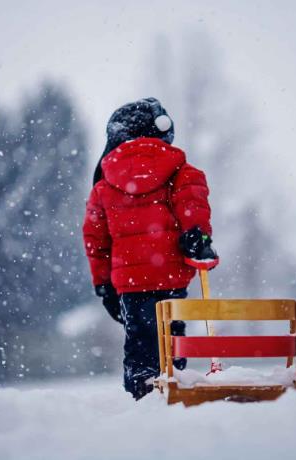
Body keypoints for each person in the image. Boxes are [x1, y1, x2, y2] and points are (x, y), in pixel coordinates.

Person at [83, 97, 217, 399]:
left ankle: (143, 391)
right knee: (172, 338)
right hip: (171, 276)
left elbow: (96, 239)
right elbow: (192, 206)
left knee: (140, 341)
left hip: (130, 285)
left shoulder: (103, 186)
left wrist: (103, 284)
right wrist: (198, 237)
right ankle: (175, 386)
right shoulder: (182, 172)